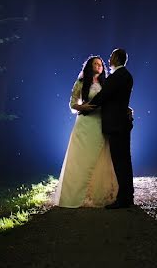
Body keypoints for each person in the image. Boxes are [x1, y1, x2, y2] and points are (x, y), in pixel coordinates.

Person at [52, 55, 119, 208]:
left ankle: (99, 194)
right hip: (84, 123)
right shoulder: (81, 82)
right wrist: (82, 107)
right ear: (90, 66)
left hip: (100, 123)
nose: (99, 66)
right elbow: (72, 103)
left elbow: (113, 101)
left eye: (101, 64)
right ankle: (73, 196)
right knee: (80, 159)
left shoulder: (105, 84)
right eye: (96, 64)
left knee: (101, 157)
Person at [80, 48, 134, 209]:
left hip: (116, 125)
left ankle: (123, 199)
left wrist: (86, 109)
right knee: (125, 161)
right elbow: (118, 99)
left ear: (117, 58)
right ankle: (128, 196)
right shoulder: (127, 75)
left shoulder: (116, 77)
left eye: (111, 56)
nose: (109, 58)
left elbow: (103, 97)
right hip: (123, 123)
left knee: (120, 162)